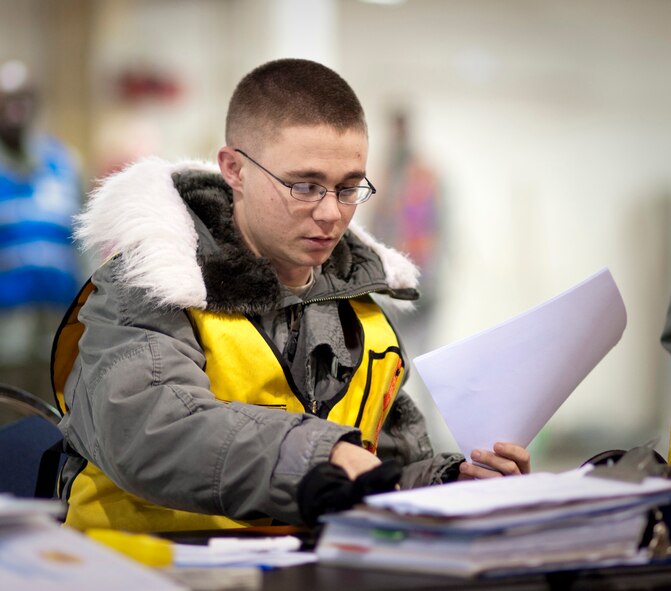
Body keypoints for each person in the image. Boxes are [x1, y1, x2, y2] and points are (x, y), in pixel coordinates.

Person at [51, 58, 530, 533]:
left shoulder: (363, 312)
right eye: (305, 186)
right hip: (146, 569)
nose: (330, 213)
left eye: (348, 188)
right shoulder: (149, 286)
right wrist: (323, 456)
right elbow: (149, 429)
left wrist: (455, 483)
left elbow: (390, 471)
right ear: (234, 169)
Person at [0, 60, 82, 401]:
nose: (16, 108)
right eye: (7, 99)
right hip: (6, 333)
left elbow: (82, 243)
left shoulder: (63, 163)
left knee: (54, 424)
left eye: (24, 98)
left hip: (58, 328)